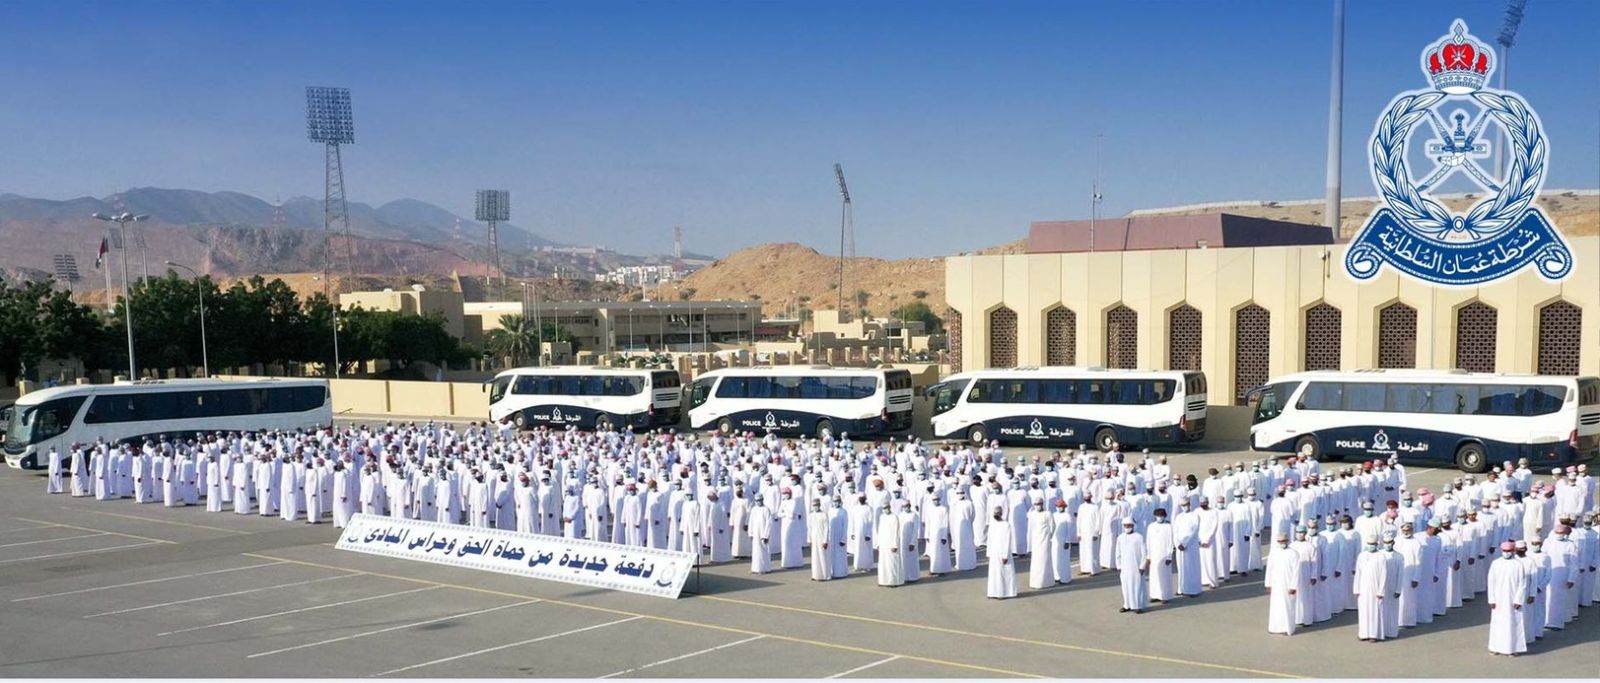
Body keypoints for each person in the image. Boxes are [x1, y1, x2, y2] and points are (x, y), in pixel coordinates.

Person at [1486, 540, 1529, 656]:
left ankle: (1512, 649)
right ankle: (1495, 647)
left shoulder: (1518, 564)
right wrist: (1491, 599)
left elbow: (1522, 584)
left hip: (1513, 600)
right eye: (1504, 551)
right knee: (1498, 623)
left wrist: (1518, 599)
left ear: (1513, 551)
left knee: (1513, 623)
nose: (1506, 553)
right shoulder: (1496, 564)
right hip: (1498, 600)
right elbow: (1491, 582)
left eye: (1509, 551)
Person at [1353, 537, 1391, 642]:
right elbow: (1358, 573)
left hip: (1375, 588)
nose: (1371, 546)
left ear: (1377, 544)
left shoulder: (1381, 556)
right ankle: (1363, 633)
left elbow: (1383, 574)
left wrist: (1381, 590)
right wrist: (1356, 589)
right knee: (1363, 611)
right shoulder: (1362, 555)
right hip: (1363, 588)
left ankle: (1374, 635)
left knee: (1375, 611)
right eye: (1369, 543)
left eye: (1373, 544)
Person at [1265, 531, 1302, 635]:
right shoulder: (1274, 552)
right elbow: (1269, 569)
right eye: (1280, 541)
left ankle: (1288, 628)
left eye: (1284, 541)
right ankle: (1274, 628)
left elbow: (1296, 571)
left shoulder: (1293, 553)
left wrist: (1293, 586)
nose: (1282, 543)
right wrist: (1268, 584)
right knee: (1276, 606)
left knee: (1288, 606)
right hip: (1276, 584)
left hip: (1288, 584)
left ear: (1287, 541)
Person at [1116, 518, 1150, 613]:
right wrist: (1119, 566)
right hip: (1124, 567)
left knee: (1136, 586)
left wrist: (1142, 566)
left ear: (1133, 526)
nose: (1127, 527)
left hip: (1136, 567)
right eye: (1125, 525)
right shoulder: (1120, 538)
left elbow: (1144, 553)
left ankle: (1138, 606)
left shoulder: (1139, 537)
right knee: (1125, 587)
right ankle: (1127, 605)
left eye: (1129, 525)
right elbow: (1118, 553)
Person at [986, 507, 1017, 599]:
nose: (996, 515)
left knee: (1004, 573)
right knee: (994, 574)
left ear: (1001, 514)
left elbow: (1007, 540)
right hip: (994, 553)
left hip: (1003, 552)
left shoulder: (1006, 525)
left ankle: (1004, 593)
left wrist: (1005, 555)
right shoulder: (992, 525)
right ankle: (993, 593)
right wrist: (988, 553)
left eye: (998, 513)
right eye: (995, 513)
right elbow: (989, 539)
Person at [1146, 507, 1175, 602]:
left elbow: (1170, 542)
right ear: (1155, 516)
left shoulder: (1168, 526)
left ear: (1165, 516)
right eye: (1158, 515)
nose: (1159, 517)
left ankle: (1165, 596)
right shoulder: (1151, 526)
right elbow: (1148, 541)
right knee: (1154, 576)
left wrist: (1169, 556)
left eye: (1161, 515)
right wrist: (1148, 556)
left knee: (1165, 576)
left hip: (1164, 555)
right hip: (1154, 556)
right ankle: (1154, 595)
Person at [875, 501, 906, 587]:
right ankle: (883, 581)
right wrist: (878, 543)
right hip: (883, 543)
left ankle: (893, 581)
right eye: (884, 508)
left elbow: (896, 532)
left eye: (887, 508)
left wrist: (895, 545)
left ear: (890, 508)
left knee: (892, 563)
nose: (886, 509)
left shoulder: (894, 517)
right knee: (883, 563)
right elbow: (880, 530)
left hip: (891, 543)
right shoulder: (882, 517)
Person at [1027, 499, 1056, 589]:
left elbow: (1052, 526)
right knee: (1036, 562)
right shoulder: (1032, 514)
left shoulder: (1048, 514)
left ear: (1042, 504)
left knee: (1045, 560)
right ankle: (1035, 582)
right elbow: (1030, 525)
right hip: (1035, 541)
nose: (1037, 506)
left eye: (1039, 504)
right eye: (1036, 504)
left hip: (1045, 540)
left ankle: (1047, 582)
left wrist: (1049, 536)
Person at [749, 495, 774, 574]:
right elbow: (751, 521)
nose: (758, 502)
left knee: (763, 551)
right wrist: (750, 533)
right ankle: (755, 568)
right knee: (756, 551)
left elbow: (769, 523)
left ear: (762, 500)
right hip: (755, 533)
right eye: (757, 500)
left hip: (763, 534)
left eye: (760, 500)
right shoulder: (754, 509)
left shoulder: (766, 509)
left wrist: (766, 535)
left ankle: (764, 569)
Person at [1051, 499, 1074, 585]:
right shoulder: (1053, 515)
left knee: (1064, 560)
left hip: (1064, 541)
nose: (1059, 508)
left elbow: (1070, 529)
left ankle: (1065, 578)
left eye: (1061, 506)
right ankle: (1056, 577)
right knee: (1055, 559)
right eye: (1058, 506)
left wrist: (1067, 541)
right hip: (1055, 540)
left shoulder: (1067, 516)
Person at [808, 498, 831, 580]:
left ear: (819, 505)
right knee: (815, 558)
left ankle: (825, 575)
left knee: (822, 557)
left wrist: (825, 541)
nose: (815, 507)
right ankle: (815, 575)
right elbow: (809, 528)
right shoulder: (811, 515)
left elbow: (826, 528)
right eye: (814, 505)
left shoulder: (824, 515)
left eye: (816, 505)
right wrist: (809, 539)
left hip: (822, 539)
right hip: (814, 539)